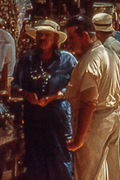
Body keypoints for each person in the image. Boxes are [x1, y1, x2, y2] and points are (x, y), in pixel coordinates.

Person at [13, 20, 78, 180]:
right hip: (33, 120)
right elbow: (15, 85)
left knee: (61, 162)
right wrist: (26, 94)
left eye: (47, 35)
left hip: (58, 119)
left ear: (55, 38)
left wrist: (55, 96)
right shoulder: (27, 59)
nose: (42, 38)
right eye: (40, 34)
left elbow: (77, 87)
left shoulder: (67, 60)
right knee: (36, 164)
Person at [64, 15, 120, 180]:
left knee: (89, 175)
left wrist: (79, 139)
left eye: (71, 38)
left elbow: (89, 102)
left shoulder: (92, 60)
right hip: (112, 116)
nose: (69, 44)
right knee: (110, 172)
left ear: (84, 36)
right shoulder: (110, 55)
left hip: (96, 122)